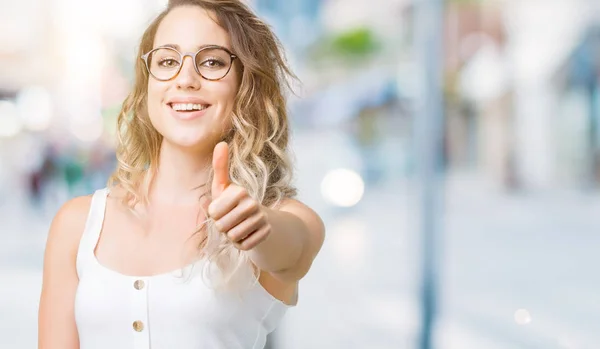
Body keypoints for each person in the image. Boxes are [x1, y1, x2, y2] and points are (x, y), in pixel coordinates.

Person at [37, 1, 325, 348]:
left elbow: (289, 251)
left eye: (212, 61)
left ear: (245, 86)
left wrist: (257, 228)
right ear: (147, 86)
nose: (185, 79)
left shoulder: (286, 219)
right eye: (168, 61)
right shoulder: (77, 224)